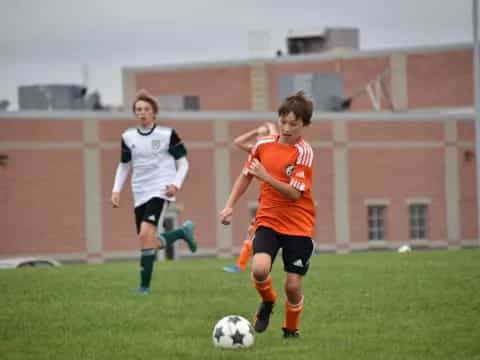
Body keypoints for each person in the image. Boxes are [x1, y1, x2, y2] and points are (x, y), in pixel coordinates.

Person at [220, 91, 315, 338]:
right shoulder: (263, 145)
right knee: (259, 270)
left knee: (293, 286)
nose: (286, 128)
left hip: (299, 225)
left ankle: (291, 331)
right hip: (269, 220)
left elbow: (294, 195)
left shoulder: (304, 152)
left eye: (293, 124)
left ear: (304, 125)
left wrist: (266, 176)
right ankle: (268, 301)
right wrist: (230, 205)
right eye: (283, 121)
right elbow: (246, 176)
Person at [111, 90, 197, 294]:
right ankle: (181, 232)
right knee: (147, 240)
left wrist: (175, 184)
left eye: (146, 109)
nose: (142, 113)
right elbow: (124, 165)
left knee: (145, 233)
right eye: (138, 110)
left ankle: (144, 287)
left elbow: (183, 163)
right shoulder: (127, 136)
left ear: (154, 113)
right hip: (139, 191)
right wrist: (116, 190)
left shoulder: (167, 135)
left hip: (161, 189)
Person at [222, 122, 278, 273]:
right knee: (251, 230)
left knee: (255, 231)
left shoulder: (274, 145)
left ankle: (240, 265)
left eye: (262, 134)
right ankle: (240, 265)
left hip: (278, 200)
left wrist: (271, 127)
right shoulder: (257, 150)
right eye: (258, 135)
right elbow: (237, 142)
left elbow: (274, 135)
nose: (259, 137)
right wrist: (255, 131)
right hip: (266, 199)